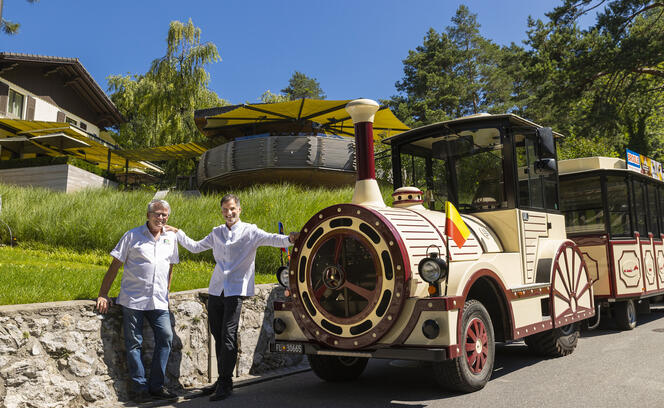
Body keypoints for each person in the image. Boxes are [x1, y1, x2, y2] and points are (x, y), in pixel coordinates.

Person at [165, 193, 298, 402]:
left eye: (232, 209)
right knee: (218, 334)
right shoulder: (216, 232)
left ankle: (226, 383)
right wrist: (178, 232)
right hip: (217, 289)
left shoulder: (250, 231)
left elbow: (273, 239)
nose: (229, 213)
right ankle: (221, 379)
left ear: (239, 209)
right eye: (225, 210)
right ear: (221, 211)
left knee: (228, 335)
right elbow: (196, 247)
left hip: (236, 290)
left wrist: (290, 239)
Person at [96, 199, 179, 403]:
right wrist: (103, 293)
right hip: (133, 299)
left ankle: (157, 386)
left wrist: (166, 292)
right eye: (157, 214)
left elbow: (170, 267)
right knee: (134, 344)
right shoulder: (132, 236)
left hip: (159, 301)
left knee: (166, 338)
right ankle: (140, 388)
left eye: (164, 215)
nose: (161, 218)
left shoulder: (171, 239)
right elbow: (115, 266)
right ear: (148, 215)